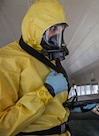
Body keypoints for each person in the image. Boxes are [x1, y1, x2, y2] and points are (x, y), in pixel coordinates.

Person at [0, 0, 71, 135]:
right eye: (54, 29)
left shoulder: (47, 58)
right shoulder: (6, 60)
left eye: (61, 29)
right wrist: (46, 91)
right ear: (35, 27)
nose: (58, 36)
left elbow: (51, 108)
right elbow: (3, 126)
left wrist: (71, 106)